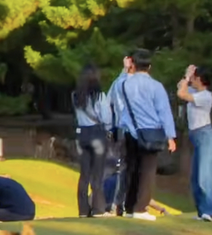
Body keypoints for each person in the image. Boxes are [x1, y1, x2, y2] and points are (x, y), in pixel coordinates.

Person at [114, 49, 176, 221]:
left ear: (132, 63)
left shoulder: (124, 84)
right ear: (149, 66)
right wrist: (170, 136)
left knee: (131, 170)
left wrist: (125, 70)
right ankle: (140, 208)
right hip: (151, 132)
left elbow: (115, 92)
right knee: (147, 171)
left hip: (130, 132)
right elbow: (164, 112)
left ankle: (129, 205)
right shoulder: (156, 86)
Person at [177, 64, 212, 222]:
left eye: (194, 77)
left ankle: (209, 211)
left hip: (205, 136)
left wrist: (187, 77)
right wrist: (187, 75)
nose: (191, 80)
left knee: (204, 176)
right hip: (197, 137)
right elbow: (179, 87)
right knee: (195, 178)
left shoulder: (206, 96)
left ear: (199, 79)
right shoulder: (195, 91)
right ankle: (202, 212)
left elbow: (181, 93)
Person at [73, 64, 113, 218]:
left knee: (84, 175)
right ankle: (98, 209)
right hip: (97, 133)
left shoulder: (75, 96)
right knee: (97, 174)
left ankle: (83, 210)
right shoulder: (99, 96)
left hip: (81, 133)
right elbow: (106, 117)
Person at [106, 54, 136, 216]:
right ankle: (124, 204)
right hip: (132, 129)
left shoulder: (119, 83)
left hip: (121, 128)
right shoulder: (133, 83)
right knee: (132, 167)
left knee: (123, 168)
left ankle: (118, 204)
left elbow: (109, 98)